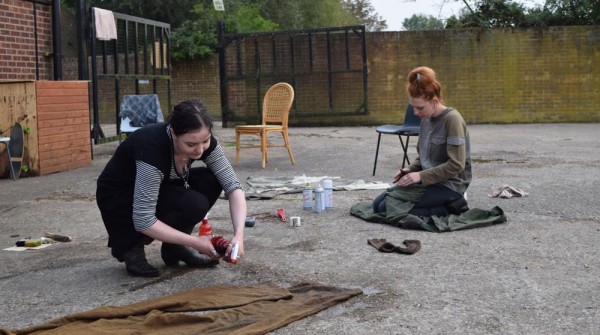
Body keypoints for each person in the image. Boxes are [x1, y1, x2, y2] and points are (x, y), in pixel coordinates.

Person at [96, 99, 247, 277]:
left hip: (161, 183)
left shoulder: (201, 141)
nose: (199, 150)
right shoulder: (152, 150)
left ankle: (175, 248)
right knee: (187, 202)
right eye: (190, 144)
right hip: (120, 195)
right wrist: (196, 242)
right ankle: (132, 248)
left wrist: (239, 235)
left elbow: (233, 186)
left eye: (205, 141)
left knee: (211, 180)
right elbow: (144, 219)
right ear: (174, 133)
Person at [373, 66, 472, 217]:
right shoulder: (426, 119)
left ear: (435, 101)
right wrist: (411, 170)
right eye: (413, 108)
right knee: (377, 205)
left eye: (420, 108)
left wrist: (420, 176)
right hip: (429, 183)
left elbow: (457, 165)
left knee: (388, 207)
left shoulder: (452, 119)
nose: (415, 113)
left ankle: (453, 205)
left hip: (450, 186)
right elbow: (425, 156)